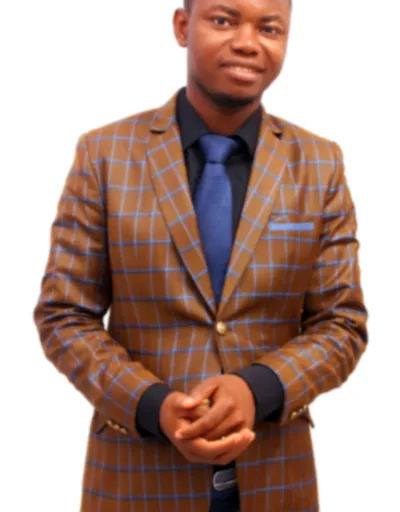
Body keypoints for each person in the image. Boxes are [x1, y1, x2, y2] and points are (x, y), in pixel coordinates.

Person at [33, 0, 368, 510]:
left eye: (270, 28)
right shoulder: (104, 155)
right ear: (182, 26)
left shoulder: (319, 164)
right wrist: (152, 405)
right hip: (137, 478)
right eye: (224, 20)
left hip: (275, 478)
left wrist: (258, 389)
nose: (248, 43)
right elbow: (64, 315)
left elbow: (342, 323)